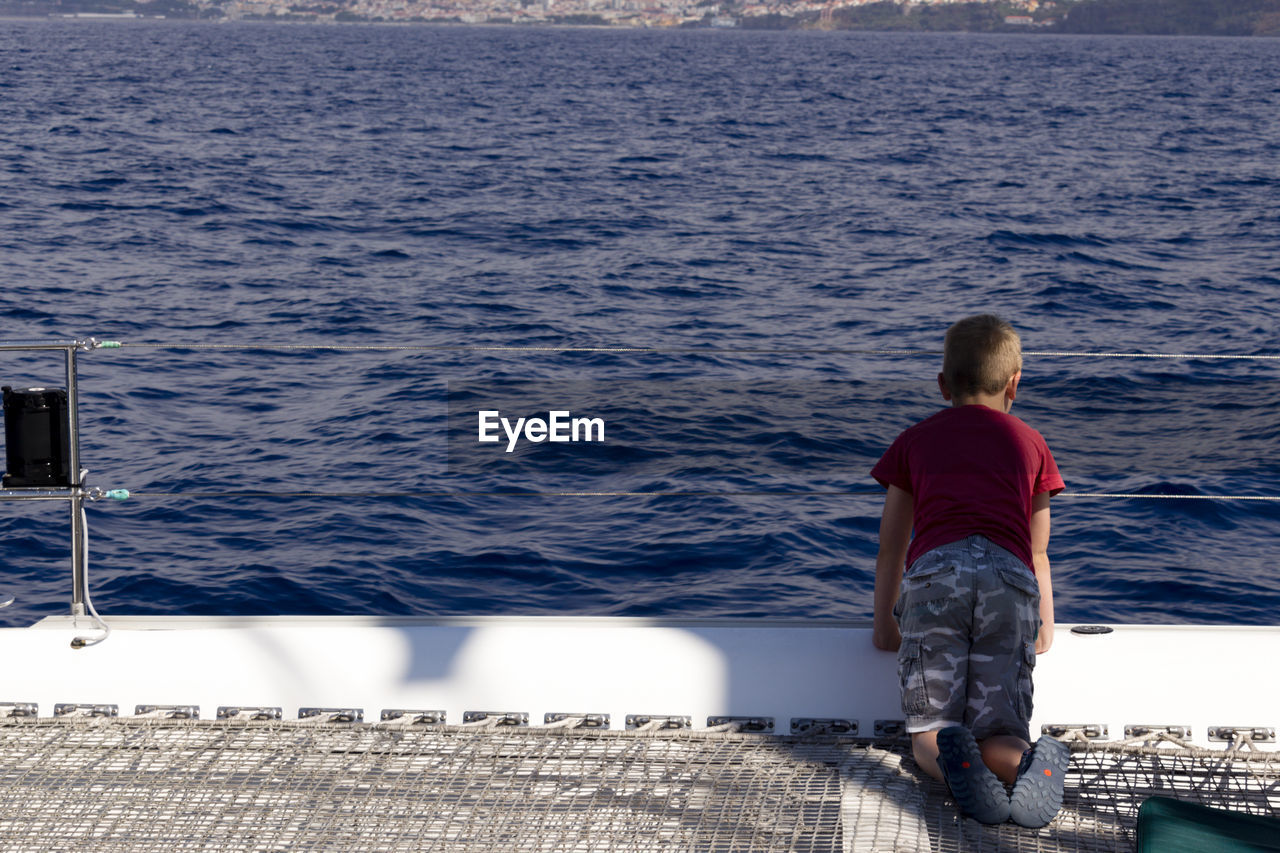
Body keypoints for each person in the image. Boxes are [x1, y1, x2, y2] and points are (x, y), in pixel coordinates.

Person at [870, 314, 1070, 828]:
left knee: (930, 735)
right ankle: (1024, 764)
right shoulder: (1031, 443)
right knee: (1001, 727)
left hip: (938, 576)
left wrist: (884, 628)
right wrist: (1043, 624)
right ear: (1014, 384)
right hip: (1009, 580)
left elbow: (891, 548)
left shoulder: (914, 441)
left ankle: (958, 772)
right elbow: (1038, 550)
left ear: (942, 385)